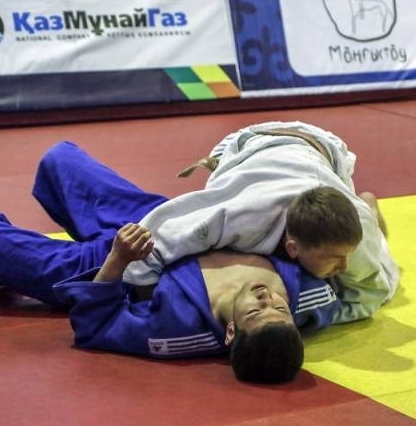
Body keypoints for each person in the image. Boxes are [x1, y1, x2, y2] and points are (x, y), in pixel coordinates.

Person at [0, 141, 341, 384]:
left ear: (231, 332)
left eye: (257, 311)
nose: (267, 297)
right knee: (59, 159)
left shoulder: (178, 333)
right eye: (279, 309)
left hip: (114, 261)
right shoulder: (312, 297)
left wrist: (118, 258)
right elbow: (343, 264)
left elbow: (97, 324)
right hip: (168, 222)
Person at [122, 121, 400, 323]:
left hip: (322, 153)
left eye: (344, 256)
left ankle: (371, 209)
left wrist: (317, 315)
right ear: (292, 247)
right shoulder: (234, 216)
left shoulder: (355, 230)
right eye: (333, 258)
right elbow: (153, 240)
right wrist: (154, 306)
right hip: (249, 147)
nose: (344, 266)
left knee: (371, 261)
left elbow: (371, 297)